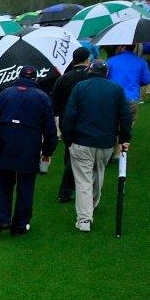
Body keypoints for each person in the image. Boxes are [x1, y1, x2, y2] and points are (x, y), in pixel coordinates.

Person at [0, 66, 57, 236]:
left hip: (5, 145)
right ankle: (20, 224)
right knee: (26, 186)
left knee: (3, 183)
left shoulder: (5, 94)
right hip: (30, 147)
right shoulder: (42, 97)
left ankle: (2, 217)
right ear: (35, 79)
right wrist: (47, 151)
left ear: (18, 76)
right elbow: (50, 129)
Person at [62, 59, 132, 232]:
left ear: (90, 71)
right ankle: (92, 204)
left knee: (83, 179)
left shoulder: (80, 88)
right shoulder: (116, 89)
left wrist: (67, 138)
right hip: (106, 142)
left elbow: (69, 115)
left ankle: (85, 219)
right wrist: (124, 138)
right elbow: (125, 116)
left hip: (81, 141)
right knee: (98, 172)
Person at [52, 47, 91, 203]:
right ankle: (67, 190)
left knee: (71, 152)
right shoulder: (92, 78)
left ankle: (71, 186)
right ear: (87, 60)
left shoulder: (63, 78)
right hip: (86, 120)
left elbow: (54, 104)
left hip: (66, 121)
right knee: (78, 157)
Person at [107, 45, 150, 127]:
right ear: (134, 48)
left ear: (123, 47)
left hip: (112, 97)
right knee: (127, 125)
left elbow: (105, 77)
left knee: (112, 122)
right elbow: (146, 80)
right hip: (131, 98)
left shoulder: (111, 60)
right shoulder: (141, 62)